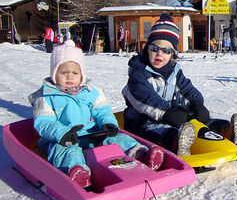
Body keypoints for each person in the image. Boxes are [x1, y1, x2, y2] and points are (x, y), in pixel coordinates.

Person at [29, 40, 163, 188]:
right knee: (64, 152)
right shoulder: (46, 97)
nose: (69, 77)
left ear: (81, 74)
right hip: (62, 138)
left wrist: (108, 124)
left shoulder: (91, 92)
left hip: (91, 133)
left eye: (74, 72)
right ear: (54, 74)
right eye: (63, 72)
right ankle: (78, 173)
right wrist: (62, 134)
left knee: (117, 138)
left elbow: (102, 111)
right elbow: (44, 122)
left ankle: (141, 154)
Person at [122, 13, 237, 156]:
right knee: (155, 130)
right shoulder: (138, 73)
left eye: (166, 50)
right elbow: (144, 97)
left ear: (173, 53)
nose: (159, 54)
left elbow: (187, 89)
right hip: (140, 119)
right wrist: (166, 112)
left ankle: (225, 130)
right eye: (155, 48)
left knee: (195, 121)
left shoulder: (174, 71)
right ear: (147, 48)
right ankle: (176, 142)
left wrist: (197, 104)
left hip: (169, 114)